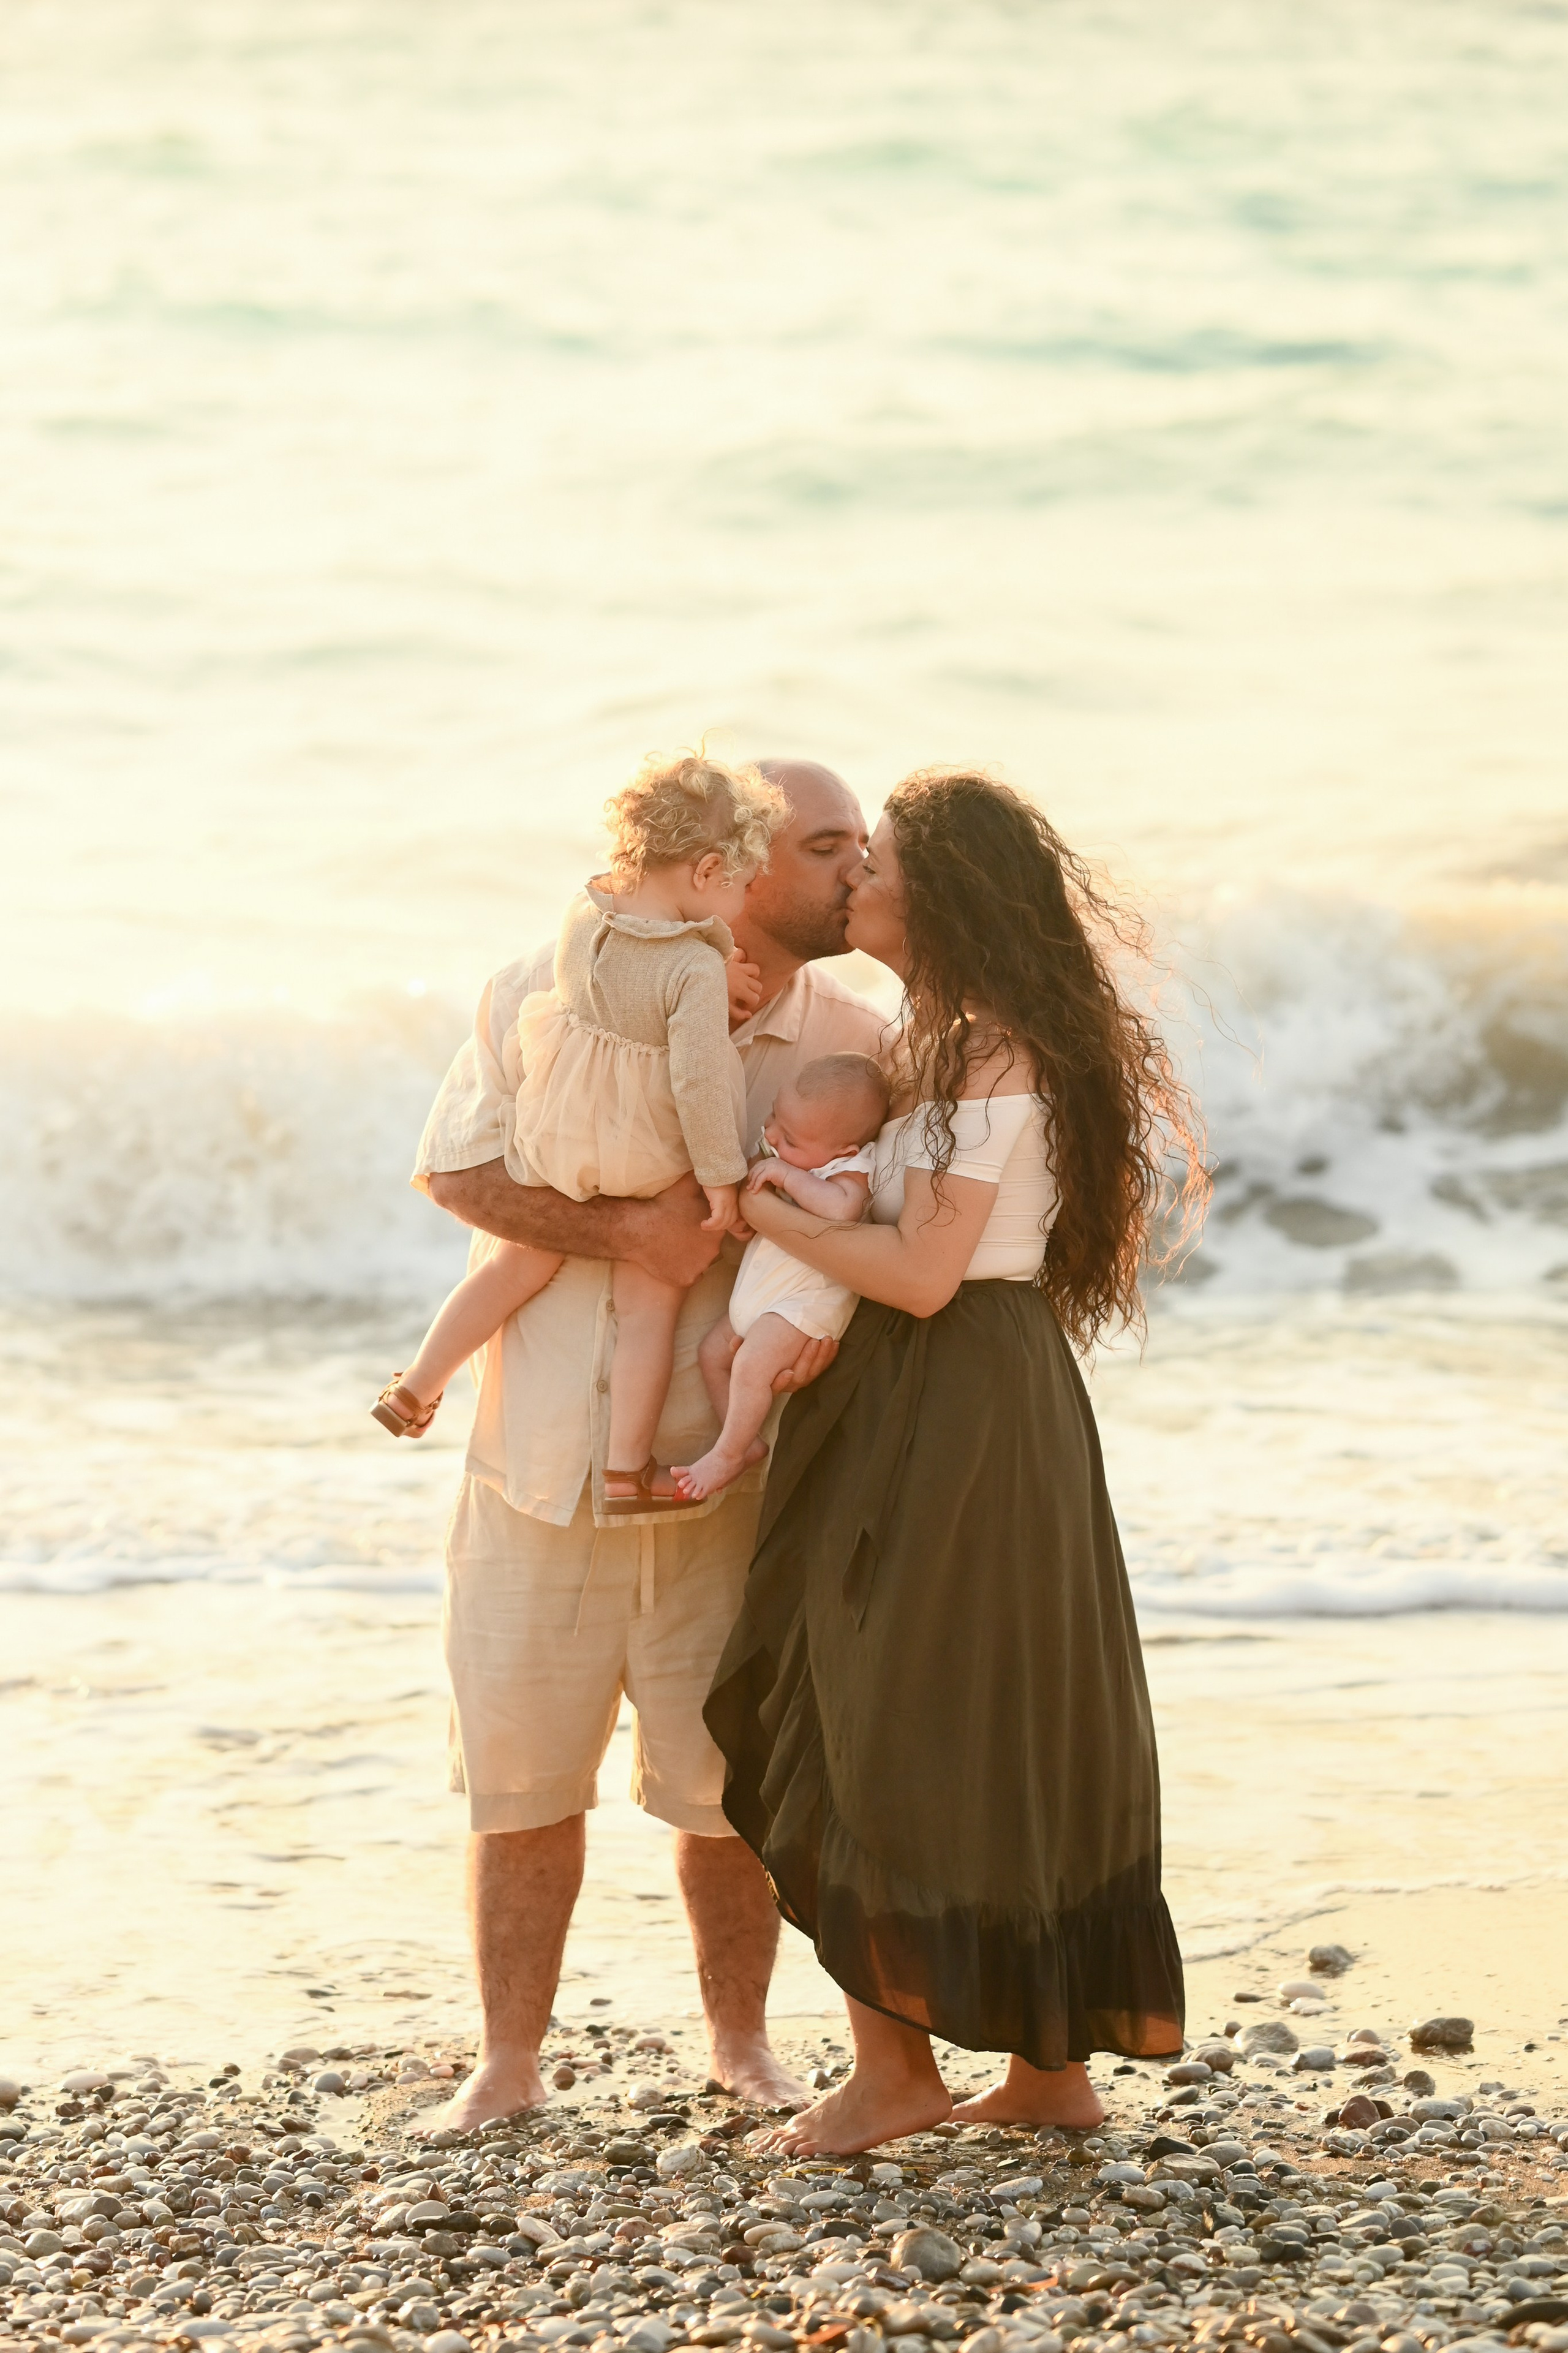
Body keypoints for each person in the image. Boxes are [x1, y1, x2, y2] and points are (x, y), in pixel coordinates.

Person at [703, 768, 1209, 2155]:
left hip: (962, 1388)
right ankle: (1043, 2072)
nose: (853, 875)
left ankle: (899, 2069)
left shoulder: (989, 1047)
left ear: (937, 890)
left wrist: (768, 1214)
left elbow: (927, 1273)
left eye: (876, 859)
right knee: (960, 1696)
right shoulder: (934, 1036)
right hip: (928, 1389)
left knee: (891, 1694)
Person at [410, 758, 885, 2133]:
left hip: (729, 1481)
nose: (853, 871)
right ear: (733, 866)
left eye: (862, 847)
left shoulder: (852, 1036)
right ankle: (506, 2065)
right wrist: (623, 1233)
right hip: (535, 1464)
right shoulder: (540, 989)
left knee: (723, 1795)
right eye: (823, 846)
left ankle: (742, 2047)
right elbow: (452, 1170)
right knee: (518, 1780)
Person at [375, 750, 787, 1517]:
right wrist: (723, 1181)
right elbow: (697, 1086)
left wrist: (706, 962)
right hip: (644, 1148)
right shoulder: (694, 974)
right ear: (704, 873)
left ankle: (414, 1388)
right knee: (649, 1301)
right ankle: (627, 1473)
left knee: (509, 1269)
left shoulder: (585, 911)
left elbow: (623, 982)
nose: (743, 901)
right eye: (740, 882)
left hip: (558, 1130)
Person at [674, 1051, 891, 1503]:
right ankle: (744, 1438)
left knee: (751, 1363)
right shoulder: (792, 1152)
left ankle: (727, 1453)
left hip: (804, 1303)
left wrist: (788, 1175)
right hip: (763, 1290)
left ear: (843, 1151)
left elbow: (843, 1209)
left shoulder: (849, 1171)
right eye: (774, 1114)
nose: (771, 1133)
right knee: (713, 1353)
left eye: (788, 1136)